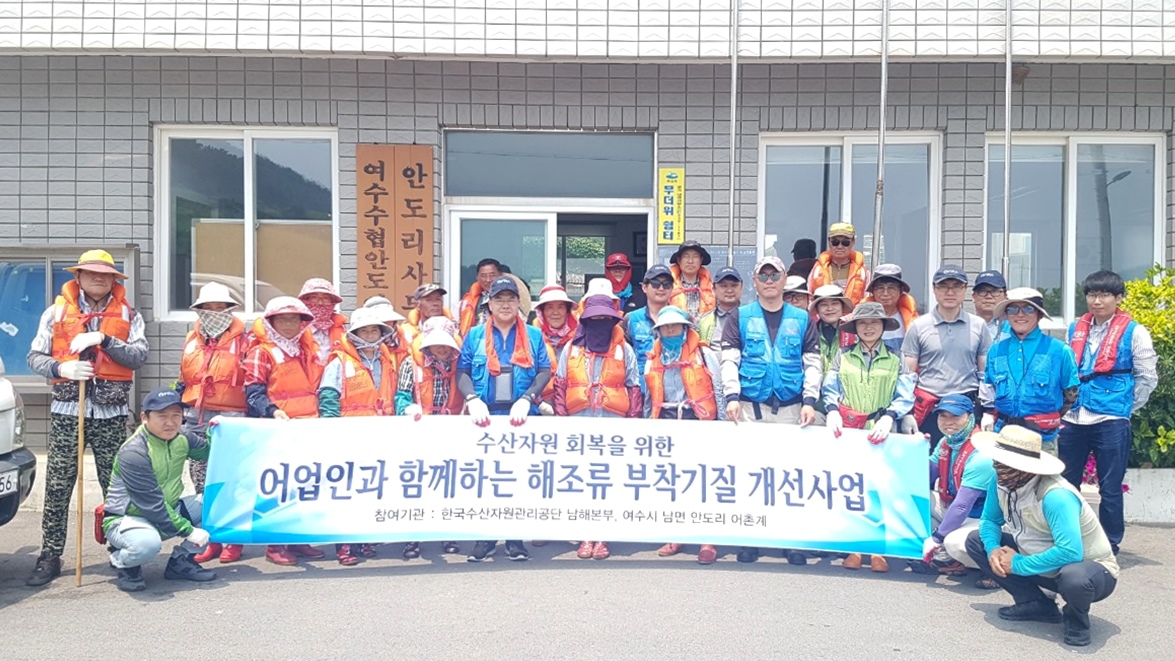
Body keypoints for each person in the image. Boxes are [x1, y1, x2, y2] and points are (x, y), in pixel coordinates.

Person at [25, 249, 149, 587]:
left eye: (105, 274)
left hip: (111, 413)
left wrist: (104, 339)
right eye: (90, 273)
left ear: (114, 279)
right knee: (58, 485)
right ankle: (50, 553)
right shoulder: (55, 313)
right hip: (68, 411)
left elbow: (139, 356)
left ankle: (121, 549)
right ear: (77, 277)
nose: (98, 278)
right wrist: (59, 367)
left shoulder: (129, 314)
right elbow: (34, 356)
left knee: (117, 485)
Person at [966, 426, 1120, 648]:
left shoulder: (1056, 495)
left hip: (1090, 569)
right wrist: (993, 549)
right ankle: (1036, 604)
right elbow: (990, 521)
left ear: (1025, 467)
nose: (997, 466)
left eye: (1005, 463)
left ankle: (1076, 621)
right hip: (1038, 559)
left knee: (1074, 577)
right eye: (997, 460)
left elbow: (1070, 552)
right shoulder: (1000, 480)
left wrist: (1016, 564)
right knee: (976, 541)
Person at [719, 255, 821, 566]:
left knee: (792, 477)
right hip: (752, 407)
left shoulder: (803, 319)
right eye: (763, 276)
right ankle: (751, 540)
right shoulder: (740, 316)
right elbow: (729, 360)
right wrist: (732, 396)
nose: (768, 281)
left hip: (792, 410)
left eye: (774, 275)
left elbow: (813, 364)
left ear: (784, 278)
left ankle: (793, 541)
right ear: (754, 281)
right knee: (753, 475)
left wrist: (809, 401)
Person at [1059, 270, 1158, 555]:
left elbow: (1147, 376)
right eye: (1091, 294)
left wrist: (1125, 408)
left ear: (1118, 298)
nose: (1097, 301)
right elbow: (1067, 369)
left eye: (1104, 295)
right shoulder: (1075, 327)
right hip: (1074, 416)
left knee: (1110, 487)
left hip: (1111, 418)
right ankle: (1069, 537)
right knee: (1066, 483)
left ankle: (1110, 542)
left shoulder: (1135, 331)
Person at [457, 275, 552, 563]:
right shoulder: (474, 335)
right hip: (485, 417)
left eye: (511, 299)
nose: (506, 304)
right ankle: (484, 539)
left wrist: (529, 398)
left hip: (521, 417)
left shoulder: (533, 335)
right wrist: (471, 399)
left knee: (517, 479)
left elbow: (544, 371)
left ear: (519, 303)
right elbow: (461, 371)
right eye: (499, 299)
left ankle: (514, 540)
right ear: (489, 304)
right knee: (486, 479)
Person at [822, 302, 916, 573]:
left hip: (882, 429)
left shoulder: (897, 359)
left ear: (883, 326)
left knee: (881, 489)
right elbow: (830, 386)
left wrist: (891, 415)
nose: (869, 327)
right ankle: (854, 548)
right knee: (853, 489)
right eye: (863, 323)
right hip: (850, 429)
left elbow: (906, 393)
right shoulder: (844, 356)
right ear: (856, 328)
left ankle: (879, 551)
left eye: (874, 323)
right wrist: (832, 411)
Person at [554, 294, 643, 562]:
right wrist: (561, 425)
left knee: (607, 481)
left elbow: (634, 387)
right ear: (585, 322)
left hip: (613, 426)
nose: (600, 324)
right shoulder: (571, 349)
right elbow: (560, 387)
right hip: (579, 426)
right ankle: (585, 535)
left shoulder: (624, 350)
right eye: (594, 320)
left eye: (606, 320)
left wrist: (633, 427)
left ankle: (603, 536)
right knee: (582, 481)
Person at [102, 389, 216, 592]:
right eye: (162, 416)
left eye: (176, 416)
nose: (170, 422)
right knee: (145, 546)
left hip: (168, 509)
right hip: (128, 518)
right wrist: (189, 531)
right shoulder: (134, 452)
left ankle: (181, 562)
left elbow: (211, 452)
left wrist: (215, 431)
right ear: (145, 417)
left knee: (217, 506)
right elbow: (152, 504)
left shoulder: (183, 438)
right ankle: (122, 561)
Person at [242, 296, 326, 566]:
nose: (289, 324)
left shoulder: (305, 350)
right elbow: (253, 391)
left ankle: (298, 538)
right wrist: (272, 411)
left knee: (303, 484)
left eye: (294, 319)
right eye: (282, 319)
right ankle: (275, 543)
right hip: (277, 427)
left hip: (307, 425)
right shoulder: (261, 351)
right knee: (277, 486)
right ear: (271, 322)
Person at [318, 307, 400, 565]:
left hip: (381, 434)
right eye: (364, 330)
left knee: (371, 489)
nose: (369, 334)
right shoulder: (338, 361)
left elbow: (394, 395)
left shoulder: (387, 360)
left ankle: (364, 539)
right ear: (353, 333)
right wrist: (332, 430)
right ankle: (344, 546)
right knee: (345, 493)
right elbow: (328, 396)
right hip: (349, 436)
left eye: (374, 329)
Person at [175, 282, 249, 565]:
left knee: (233, 478)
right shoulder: (192, 338)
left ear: (230, 310)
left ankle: (234, 539)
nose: (215, 312)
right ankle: (211, 536)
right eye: (209, 308)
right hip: (196, 415)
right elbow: (184, 377)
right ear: (200, 310)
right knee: (202, 479)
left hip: (232, 416)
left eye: (221, 308)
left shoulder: (246, 338)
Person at [645, 306, 725, 564]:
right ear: (658, 331)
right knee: (673, 482)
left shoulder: (704, 354)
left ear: (685, 328)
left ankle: (707, 540)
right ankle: (675, 535)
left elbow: (719, 390)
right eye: (665, 327)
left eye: (675, 326)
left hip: (698, 420)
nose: (670, 330)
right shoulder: (653, 357)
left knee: (704, 482)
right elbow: (649, 397)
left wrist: (722, 425)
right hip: (667, 423)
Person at [394, 316, 464, 558]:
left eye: (445, 344)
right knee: (416, 485)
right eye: (436, 345)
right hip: (419, 431)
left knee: (447, 484)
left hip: (451, 429)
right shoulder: (410, 363)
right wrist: (407, 407)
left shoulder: (459, 363)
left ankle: (447, 533)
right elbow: (401, 395)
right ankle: (412, 538)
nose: (442, 349)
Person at [901, 265, 993, 446]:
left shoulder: (978, 325)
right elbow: (907, 376)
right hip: (930, 408)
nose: (950, 292)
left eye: (956, 286)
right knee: (929, 465)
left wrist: (988, 410)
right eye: (943, 286)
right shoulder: (919, 326)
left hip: (966, 406)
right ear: (934, 289)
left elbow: (985, 374)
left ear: (965, 289)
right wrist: (907, 413)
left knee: (965, 464)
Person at [912, 394, 996, 587]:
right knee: (912, 500)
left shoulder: (981, 453)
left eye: (955, 417)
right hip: (954, 505)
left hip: (983, 516)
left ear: (970, 416)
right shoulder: (946, 442)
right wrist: (917, 451)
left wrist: (936, 538)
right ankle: (950, 562)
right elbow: (925, 478)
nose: (948, 422)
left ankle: (994, 570)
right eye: (943, 416)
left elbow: (962, 505)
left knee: (953, 543)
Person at [984, 288, 1079, 456]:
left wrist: (1047, 419)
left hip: (1043, 441)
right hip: (1004, 437)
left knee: (1044, 483)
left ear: (1039, 314)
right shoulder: (996, 351)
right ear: (1006, 314)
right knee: (1003, 483)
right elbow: (989, 390)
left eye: (1028, 309)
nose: (1020, 314)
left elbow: (1071, 396)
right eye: (1013, 309)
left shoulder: (1060, 351)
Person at [624, 265, 675, 383]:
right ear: (644, 287)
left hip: (672, 389)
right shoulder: (630, 319)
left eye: (666, 284)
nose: (661, 288)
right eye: (655, 284)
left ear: (672, 288)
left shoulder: (682, 319)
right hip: (641, 387)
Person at [534, 284, 579, 415]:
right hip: (542, 408)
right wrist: (539, 402)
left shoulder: (581, 338)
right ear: (542, 312)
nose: (555, 312)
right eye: (549, 308)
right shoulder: (531, 338)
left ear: (567, 310)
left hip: (574, 406)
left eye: (560, 307)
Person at [806, 223, 870, 305]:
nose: (840, 246)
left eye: (845, 242)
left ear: (853, 242)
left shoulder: (863, 272)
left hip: (854, 316)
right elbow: (810, 298)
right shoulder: (817, 269)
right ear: (829, 242)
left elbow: (867, 299)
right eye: (835, 242)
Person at [863, 264, 918, 354]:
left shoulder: (913, 321)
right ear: (872, 291)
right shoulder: (860, 319)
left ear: (901, 290)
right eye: (880, 288)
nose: (885, 293)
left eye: (891, 288)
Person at [810, 285, 855, 378]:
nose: (830, 308)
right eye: (824, 304)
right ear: (817, 309)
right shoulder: (809, 332)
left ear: (842, 306)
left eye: (834, 303)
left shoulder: (854, 331)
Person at [298, 278, 346, 363]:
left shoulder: (343, 330)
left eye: (325, 298)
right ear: (305, 301)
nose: (320, 303)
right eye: (314, 298)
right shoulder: (295, 329)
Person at [668, 240, 716, 320]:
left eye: (695, 256)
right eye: (686, 256)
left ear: (701, 260)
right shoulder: (667, 286)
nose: (690, 261)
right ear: (679, 260)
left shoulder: (713, 288)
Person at [698, 266, 743, 349]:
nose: (729, 290)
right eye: (723, 286)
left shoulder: (750, 318)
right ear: (714, 289)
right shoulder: (703, 321)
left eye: (734, 285)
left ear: (741, 287)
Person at [459, 258, 502, 336]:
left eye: (492, 275)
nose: (488, 280)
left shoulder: (509, 299)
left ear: (500, 275)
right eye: (483, 276)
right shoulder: (467, 302)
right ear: (477, 277)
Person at [972, 270, 1009, 341]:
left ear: (1005, 296)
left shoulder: (1015, 328)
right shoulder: (965, 327)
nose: (988, 296)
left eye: (995, 291)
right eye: (982, 291)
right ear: (973, 297)